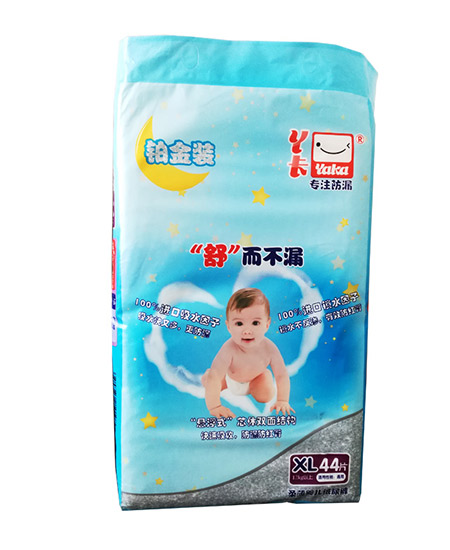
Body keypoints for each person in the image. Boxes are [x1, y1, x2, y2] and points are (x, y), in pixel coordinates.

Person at [201, 288, 295, 418]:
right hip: (229, 380)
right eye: (239, 323)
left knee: (266, 395)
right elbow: (216, 376)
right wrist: (215, 406)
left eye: (255, 323)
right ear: (229, 326)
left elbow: (281, 375)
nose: (247, 331)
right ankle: (211, 377)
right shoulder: (228, 349)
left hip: (256, 380)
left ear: (267, 324)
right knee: (210, 379)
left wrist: (283, 400)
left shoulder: (270, 348)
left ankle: (261, 381)